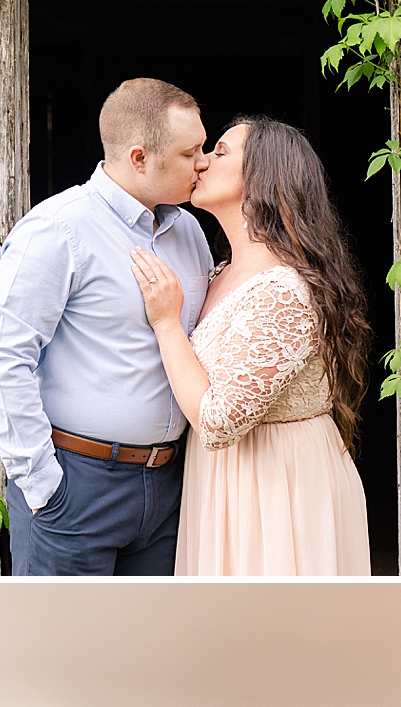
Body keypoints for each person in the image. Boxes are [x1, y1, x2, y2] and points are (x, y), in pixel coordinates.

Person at [0, 78, 213, 575]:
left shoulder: (189, 230)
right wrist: (44, 487)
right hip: (77, 487)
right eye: (192, 152)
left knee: (152, 650)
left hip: (169, 490)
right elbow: (0, 358)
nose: (204, 162)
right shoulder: (58, 229)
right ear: (139, 157)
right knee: (61, 651)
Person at [130, 116, 372, 576]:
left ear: (264, 177)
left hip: (276, 490)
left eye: (219, 152)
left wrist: (166, 323)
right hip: (226, 482)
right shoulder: (220, 273)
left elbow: (220, 422)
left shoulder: (284, 289)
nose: (200, 163)